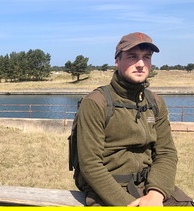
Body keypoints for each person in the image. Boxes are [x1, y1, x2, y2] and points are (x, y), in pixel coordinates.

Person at [74, 32, 193, 206]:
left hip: (149, 188)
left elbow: (166, 153)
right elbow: (90, 165)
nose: (140, 64)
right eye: (132, 57)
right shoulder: (95, 103)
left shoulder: (155, 102)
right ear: (117, 60)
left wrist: (156, 193)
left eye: (146, 57)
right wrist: (130, 204)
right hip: (109, 192)